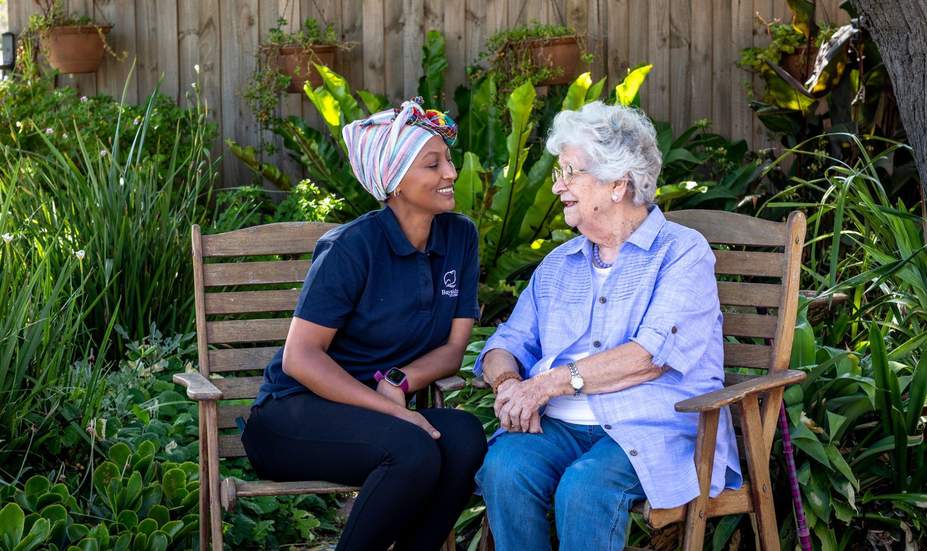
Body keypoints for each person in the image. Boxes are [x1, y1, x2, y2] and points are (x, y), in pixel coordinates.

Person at [474, 102, 742, 551]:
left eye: (570, 173)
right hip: (558, 427)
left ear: (618, 184)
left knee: (585, 489)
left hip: (649, 427)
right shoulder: (560, 263)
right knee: (505, 468)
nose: (558, 187)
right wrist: (507, 383)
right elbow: (509, 342)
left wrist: (545, 386)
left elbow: (648, 358)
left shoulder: (681, 253)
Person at [242, 98, 487, 551]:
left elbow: (453, 349)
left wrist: (398, 381)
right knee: (411, 449)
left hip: (379, 413)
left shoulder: (459, 237)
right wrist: (391, 409)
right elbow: (300, 358)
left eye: (448, 160)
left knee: (466, 437)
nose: (450, 173)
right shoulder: (351, 247)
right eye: (433, 164)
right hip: (292, 416)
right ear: (394, 182)